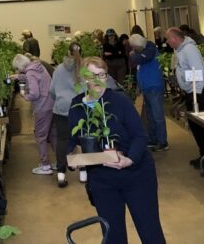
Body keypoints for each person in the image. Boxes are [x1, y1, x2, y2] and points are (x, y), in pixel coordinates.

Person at [67, 57, 166, 244]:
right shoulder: (77, 106)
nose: (98, 80)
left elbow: (140, 136)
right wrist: (74, 159)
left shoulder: (120, 101)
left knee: (150, 231)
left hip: (136, 175)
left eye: (102, 75)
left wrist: (130, 159)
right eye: (92, 75)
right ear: (83, 78)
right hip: (102, 181)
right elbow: (73, 141)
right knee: (113, 235)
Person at [165, 28, 204, 169]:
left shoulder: (189, 50)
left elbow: (199, 71)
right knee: (195, 126)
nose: (167, 42)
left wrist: (196, 93)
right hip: (191, 91)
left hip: (198, 92)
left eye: (168, 39)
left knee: (202, 126)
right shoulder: (180, 50)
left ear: (175, 38)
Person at [11, 54, 56, 175]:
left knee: (40, 136)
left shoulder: (30, 73)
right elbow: (34, 76)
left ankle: (45, 166)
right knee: (53, 134)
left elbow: (35, 94)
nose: (18, 71)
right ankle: (60, 162)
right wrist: (19, 77)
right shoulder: (39, 66)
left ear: (20, 66)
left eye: (17, 69)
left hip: (42, 107)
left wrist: (25, 96)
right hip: (51, 104)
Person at [49, 43, 82, 187]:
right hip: (80, 108)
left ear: (67, 52)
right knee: (82, 140)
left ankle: (61, 174)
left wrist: (59, 99)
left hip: (61, 109)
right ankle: (83, 173)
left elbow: (52, 90)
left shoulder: (58, 69)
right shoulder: (84, 68)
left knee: (62, 140)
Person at [129, 35, 169, 152]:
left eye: (135, 47)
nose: (134, 49)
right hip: (147, 87)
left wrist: (133, 55)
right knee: (150, 116)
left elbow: (139, 59)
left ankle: (162, 142)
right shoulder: (144, 50)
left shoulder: (150, 49)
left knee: (157, 116)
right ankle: (154, 139)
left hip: (154, 87)